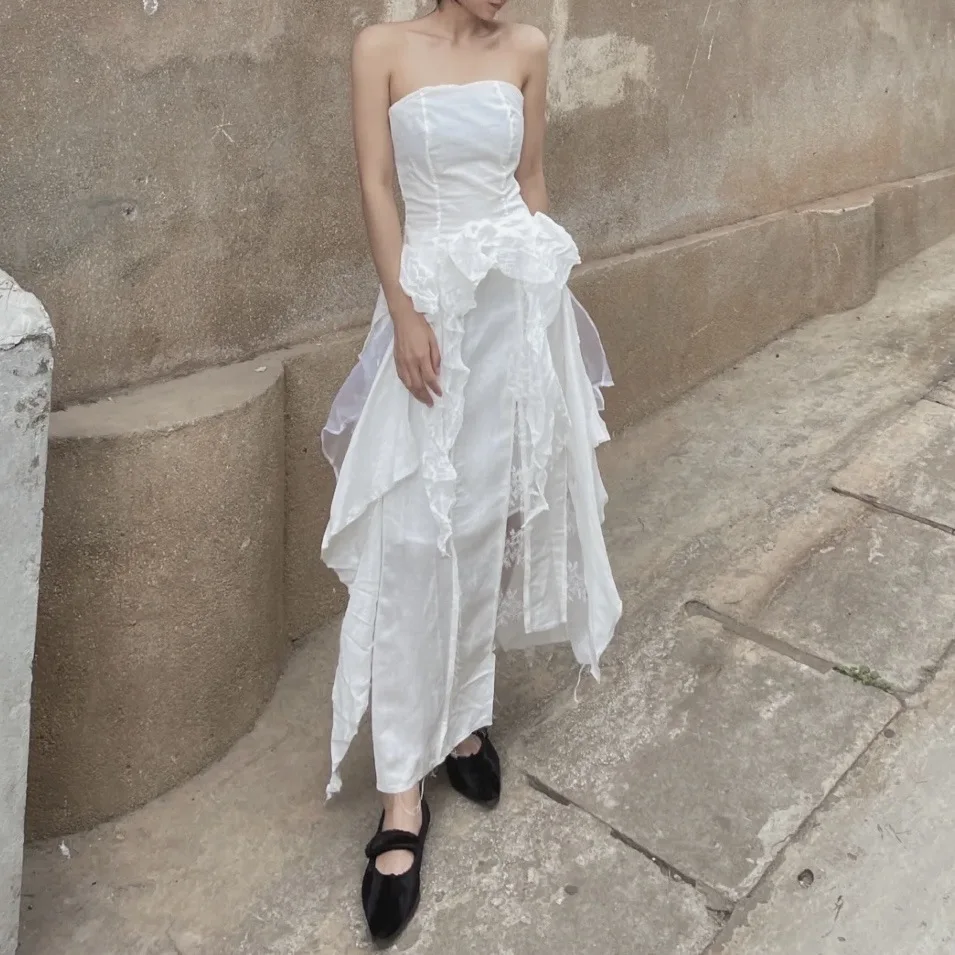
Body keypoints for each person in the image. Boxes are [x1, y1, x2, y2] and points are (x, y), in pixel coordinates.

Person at [320, 0, 622, 942]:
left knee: (486, 519)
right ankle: (399, 790)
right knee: (416, 538)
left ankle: (462, 720)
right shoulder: (380, 48)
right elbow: (377, 184)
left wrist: (545, 322)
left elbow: (528, 180)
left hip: (511, 317)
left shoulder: (527, 47)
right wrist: (405, 313)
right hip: (431, 311)